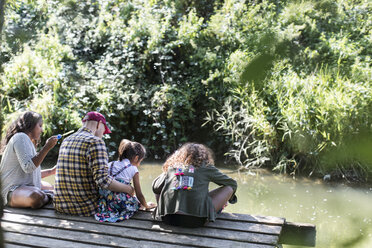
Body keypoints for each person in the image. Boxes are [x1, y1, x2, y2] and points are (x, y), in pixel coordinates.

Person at [54, 111, 134, 216]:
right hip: (85, 208)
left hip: (60, 205)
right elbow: (103, 181)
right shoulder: (95, 142)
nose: (102, 135)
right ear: (99, 124)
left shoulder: (67, 140)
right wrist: (128, 189)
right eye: (103, 131)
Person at [152, 143, 237, 227]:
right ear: (204, 156)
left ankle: (165, 210)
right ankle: (213, 210)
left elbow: (155, 187)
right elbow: (232, 184)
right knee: (229, 188)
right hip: (195, 221)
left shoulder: (173, 167)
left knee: (164, 188)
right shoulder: (206, 167)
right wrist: (225, 199)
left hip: (168, 219)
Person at [0, 111, 58, 209]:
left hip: (24, 188)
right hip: (11, 190)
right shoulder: (20, 137)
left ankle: (47, 194)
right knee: (35, 197)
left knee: (52, 187)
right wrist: (47, 147)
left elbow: (31, 174)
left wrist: (51, 171)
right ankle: (49, 196)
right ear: (30, 125)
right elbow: (29, 167)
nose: (42, 130)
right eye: (40, 126)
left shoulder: (27, 141)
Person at [95, 139, 156, 222]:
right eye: (140, 161)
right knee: (137, 202)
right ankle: (143, 205)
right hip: (120, 204)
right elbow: (139, 194)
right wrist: (146, 206)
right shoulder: (133, 169)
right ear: (136, 158)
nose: (139, 164)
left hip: (106, 202)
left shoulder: (110, 164)